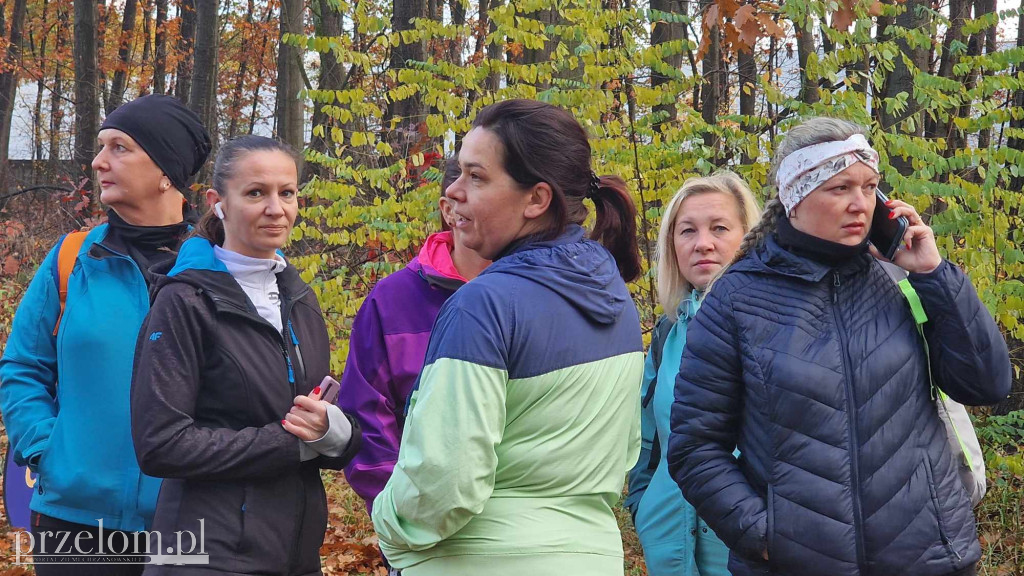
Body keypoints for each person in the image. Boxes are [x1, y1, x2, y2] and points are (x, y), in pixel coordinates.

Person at [668, 117, 1012, 576]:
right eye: (839, 188)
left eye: (870, 187)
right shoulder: (736, 299)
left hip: (929, 559)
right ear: (794, 196)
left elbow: (987, 384)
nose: (860, 204)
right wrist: (767, 537)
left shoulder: (899, 278)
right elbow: (695, 446)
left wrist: (933, 274)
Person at [371, 99, 645, 576]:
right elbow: (620, 453)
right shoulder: (614, 299)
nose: (454, 191)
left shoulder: (483, 305)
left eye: (476, 177)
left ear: (537, 200)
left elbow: (444, 483)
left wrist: (388, 526)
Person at [130, 135, 361, 575]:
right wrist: (290, 444)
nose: (276, 209)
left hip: (295, 554)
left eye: (286, 193)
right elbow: (161, 444)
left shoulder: (299, 298)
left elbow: (319, 412)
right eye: (256, 193)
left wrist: (337, 434)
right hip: (207, 555)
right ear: (219, 202)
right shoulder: (185, 301)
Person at [0, 94, 210, 574]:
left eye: (120, 147)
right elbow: (23, 366)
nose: (99, 162)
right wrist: (45, 448)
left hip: (188, 518)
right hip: (74, 520)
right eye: (100, 147)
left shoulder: (215, 269)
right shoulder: (71, 259)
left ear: (166, 171)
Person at [626, 172, 760, 576]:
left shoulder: (782, 326)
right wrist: (643, 507)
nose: (703, 243)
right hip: (672, 552)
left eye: (719, 228)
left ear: (748, 236)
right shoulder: (668, 333)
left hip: (752, 557)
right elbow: (647, 439)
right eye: (687, 231)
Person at [340, 156, 490, 516]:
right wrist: (403, 515)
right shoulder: (393, 301)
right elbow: (366, 419)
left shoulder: (536, 295)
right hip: (421, 534)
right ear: (448, 209)